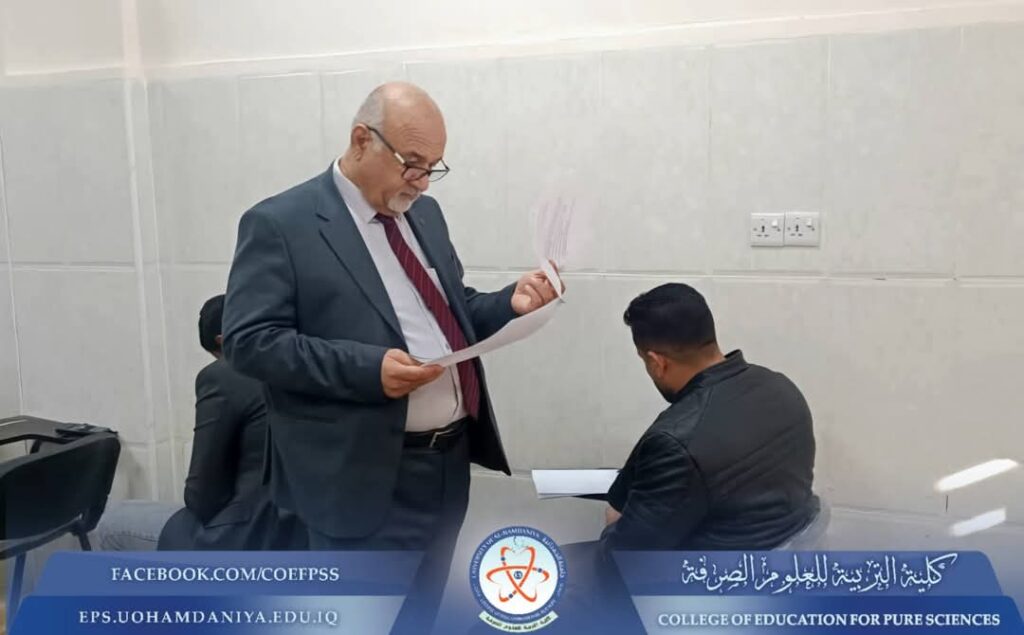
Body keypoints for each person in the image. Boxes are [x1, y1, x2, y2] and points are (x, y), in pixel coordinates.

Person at [222, 82, 559, 630]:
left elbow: (449, 313)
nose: (421, 182)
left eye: (433, 168)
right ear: (362, 140)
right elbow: (250, 341)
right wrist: (366, 369)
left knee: (420, 617)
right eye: (412, 164)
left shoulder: (425, 215)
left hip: (445, 465)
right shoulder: (282, 223)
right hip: (358, 477)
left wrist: (508, 303)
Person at [602, 282, 818, 551]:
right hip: (781, 555)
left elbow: (623, 559)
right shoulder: (781, 388)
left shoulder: (675, 441)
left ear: (658, 362)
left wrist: (611, 526)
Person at [96, 295, 305, 551]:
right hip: (302, 533)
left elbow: (201, 495)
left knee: (110, 522)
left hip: (249, 537)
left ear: (222, 341)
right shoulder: (306, 364)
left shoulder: (224, 376)